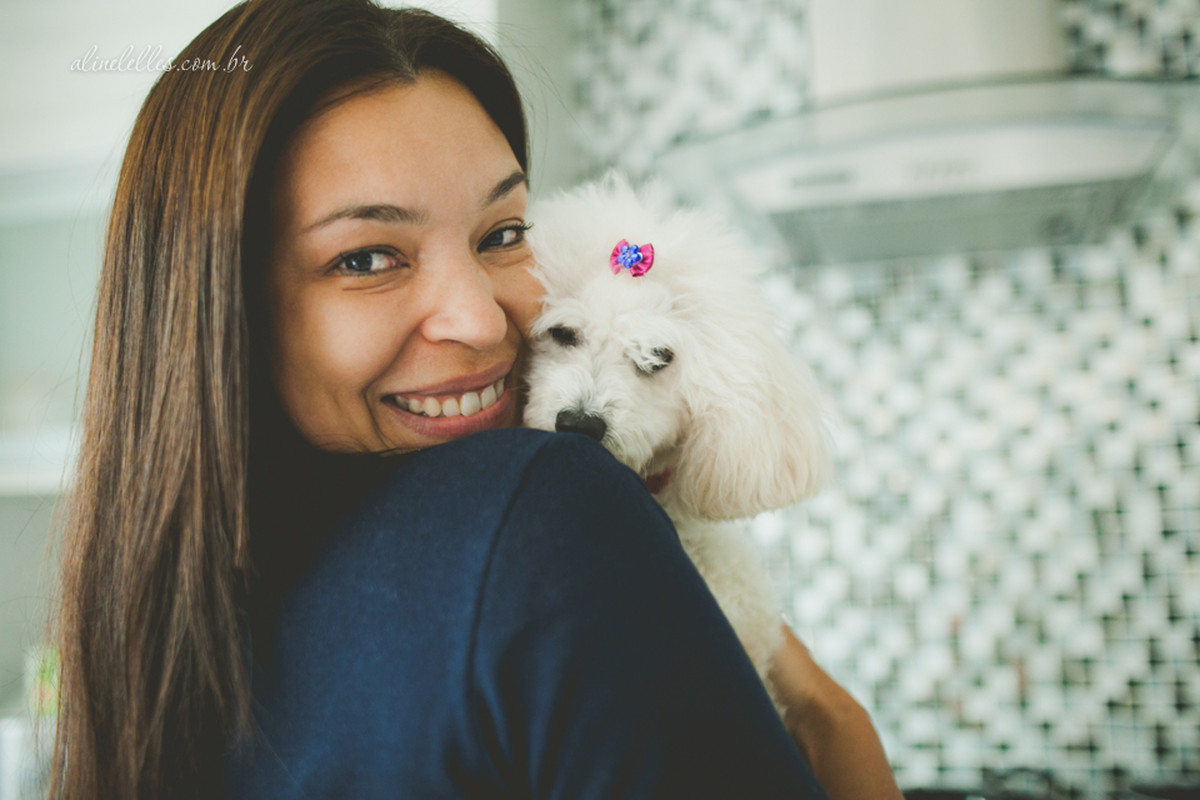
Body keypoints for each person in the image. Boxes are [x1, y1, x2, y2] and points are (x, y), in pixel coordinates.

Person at [48, 1, 904, 798]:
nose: (481, 319)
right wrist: (838, 728)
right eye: (366, 258)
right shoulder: (548, 499)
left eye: (502, 234)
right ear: (217, 307)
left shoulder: (149, 640)